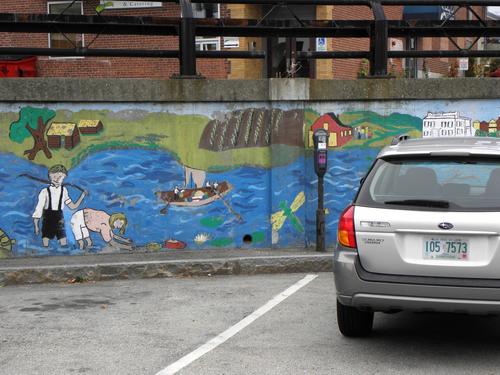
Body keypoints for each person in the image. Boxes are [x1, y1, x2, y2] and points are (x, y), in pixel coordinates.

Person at [32, 165, 86, 247]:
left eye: (60, 177)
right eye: (54, 176)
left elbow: (72, 206)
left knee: (63, 240)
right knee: (46, 241)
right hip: (48, 219)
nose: (57, 179)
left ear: (64, 177)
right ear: (50, 176)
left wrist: (82, 196)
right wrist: (36, 225)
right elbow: (39, 209)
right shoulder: (45, 192)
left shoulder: (64, 191)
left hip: (59, 219)